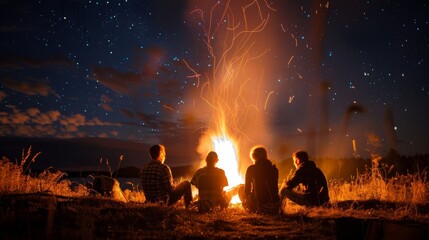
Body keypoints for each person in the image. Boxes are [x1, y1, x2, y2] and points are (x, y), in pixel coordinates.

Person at [238, 146, 280, 214]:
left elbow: (247, 190)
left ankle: (250, 209)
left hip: (261, 208)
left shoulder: (252, 169)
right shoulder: (274, 169)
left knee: (240, 189)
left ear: (253, 157)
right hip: (275, 207)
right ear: (265, 156)